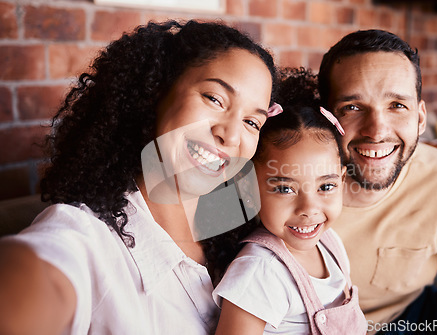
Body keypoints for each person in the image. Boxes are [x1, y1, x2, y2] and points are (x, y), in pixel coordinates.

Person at [0, 20, 278, 335]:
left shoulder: (244, 236)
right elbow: (36, 274)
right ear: (156, 93)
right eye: (214, 99)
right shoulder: (86, 239)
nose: (230, 135)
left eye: (252, 122)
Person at [318, 29, 437, 334]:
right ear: (324, 116)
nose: (376, 131)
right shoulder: (279, 170)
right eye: (352, 107)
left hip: (404, 318)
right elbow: (209, 229)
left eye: (397, 105)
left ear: (420, 117)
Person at [213, 69, 367, 334]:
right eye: (285, 189)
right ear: (248, 188)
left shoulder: (330, 245)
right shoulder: (259, 271)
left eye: (326, 186)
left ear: (342, 181)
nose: (309, 209)